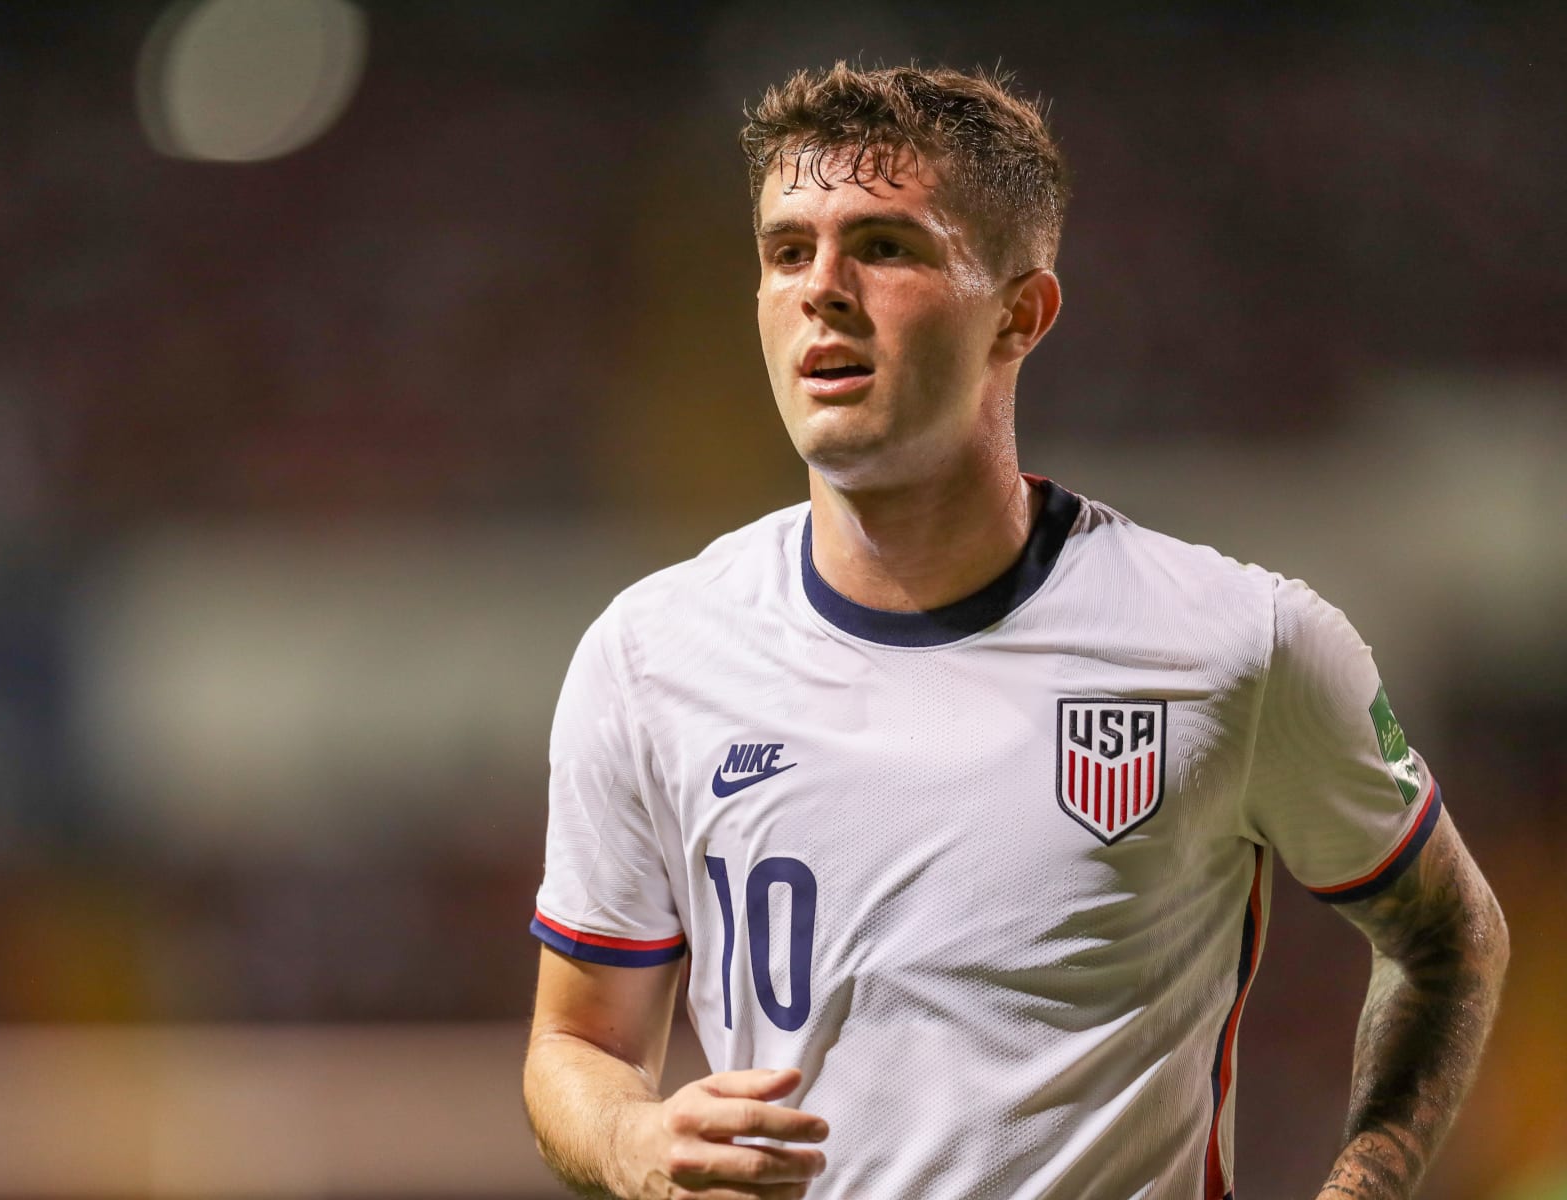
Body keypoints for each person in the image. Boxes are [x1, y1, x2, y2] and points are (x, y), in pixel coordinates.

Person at [521, 62, 1508, 1199]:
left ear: (1020, 314)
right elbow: (577, 1042)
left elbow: (1450, 941)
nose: (822, 288)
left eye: (884, 246)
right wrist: (632, 1143)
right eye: (787, 251)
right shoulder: (649, 655)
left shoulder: (1241, 642)